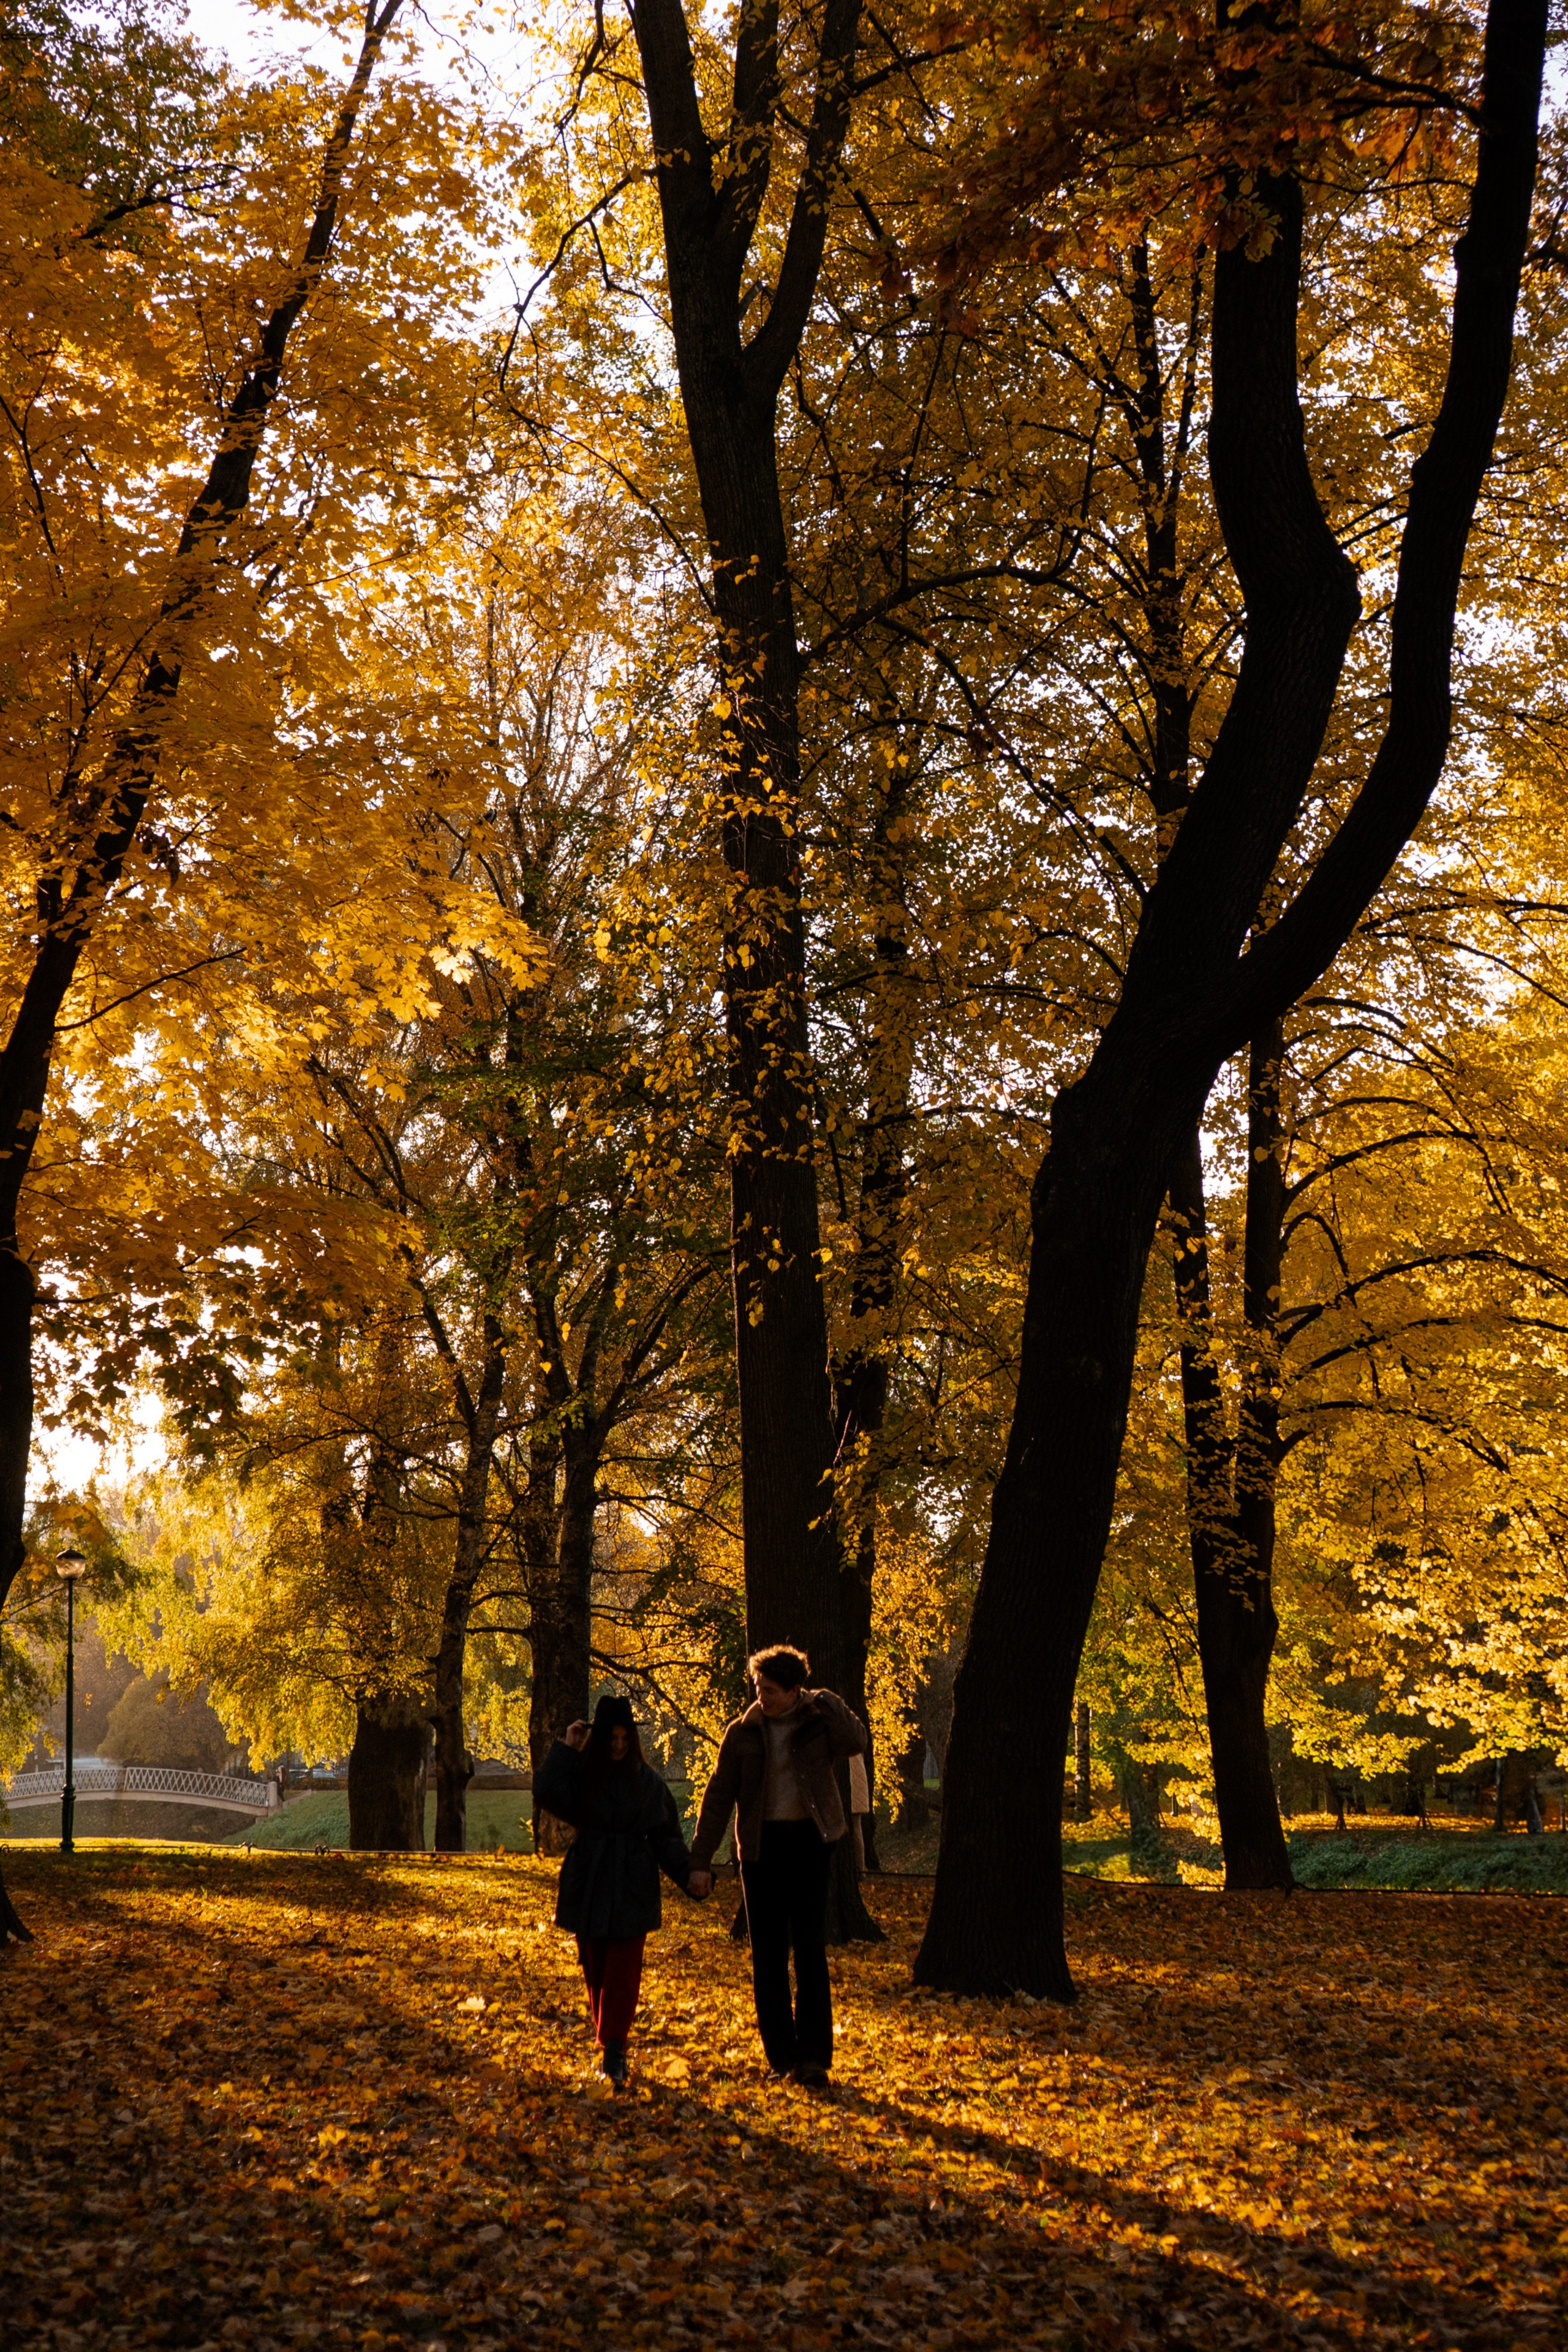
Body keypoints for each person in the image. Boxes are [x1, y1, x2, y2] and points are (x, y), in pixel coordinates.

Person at [687, 1645, 868, 2088]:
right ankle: (782, 2058)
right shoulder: (743, 1733)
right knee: (767, 1956)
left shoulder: (818, 1722)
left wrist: (831, 1703)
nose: (760, 1697)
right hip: (760, 1851)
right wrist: (700, 1859)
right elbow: (717, 1797)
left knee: (810, 1951)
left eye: (769, 1690)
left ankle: (814, 2059)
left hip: (811, 1844)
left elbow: (855, 1743)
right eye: (757, 1688)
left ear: (793, 1690)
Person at [533, 1693, 701, 2085]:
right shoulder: (580, 1777)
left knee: (624, 1970)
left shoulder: (649, 1783)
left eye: (626, 1739)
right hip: (589, 1877)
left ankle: (614, 2047)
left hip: (633, 1882)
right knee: (595, 1967)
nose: (620, 1746)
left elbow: (668, 1840)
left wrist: (691, 1876)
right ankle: (608, 2040)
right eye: (613, 1738)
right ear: (600, 1738)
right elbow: (545, 1789)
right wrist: (566, 1746)